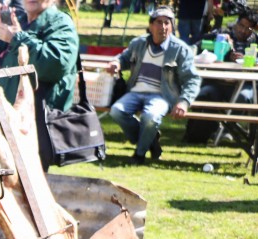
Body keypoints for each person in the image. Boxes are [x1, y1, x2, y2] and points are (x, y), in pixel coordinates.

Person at [0, 0, 78, 168]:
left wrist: (17, 38)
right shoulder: (16, 20)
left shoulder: (61, 23)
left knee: (29, 185)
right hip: (2, 118)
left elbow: (55, 65)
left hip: (34, 126)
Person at [108, 6, 201, 164]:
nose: (163, 27)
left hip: (162, 95)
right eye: (159, 22)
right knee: (116, 111)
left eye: (167, 23)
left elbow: (192, 79)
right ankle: (151, 140)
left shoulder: (181, 49)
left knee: (150, 117)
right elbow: (124, 57)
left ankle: (139, 154)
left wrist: (184, 102)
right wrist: (116, 62)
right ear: (151, 25)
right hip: (135, 91)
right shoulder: (138, 43)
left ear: (172, 27)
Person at [185, 12, 258, 143]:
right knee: (205, 94)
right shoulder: (223, 34)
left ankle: (226, 130)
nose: (243, 30)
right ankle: (197, 135)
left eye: (248, 28)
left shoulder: (254, 40)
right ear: (236, 23)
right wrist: (223, 51)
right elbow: (196, 45)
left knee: (244, 98)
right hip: (217, 83)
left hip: (245, 84)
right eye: (241, 25)